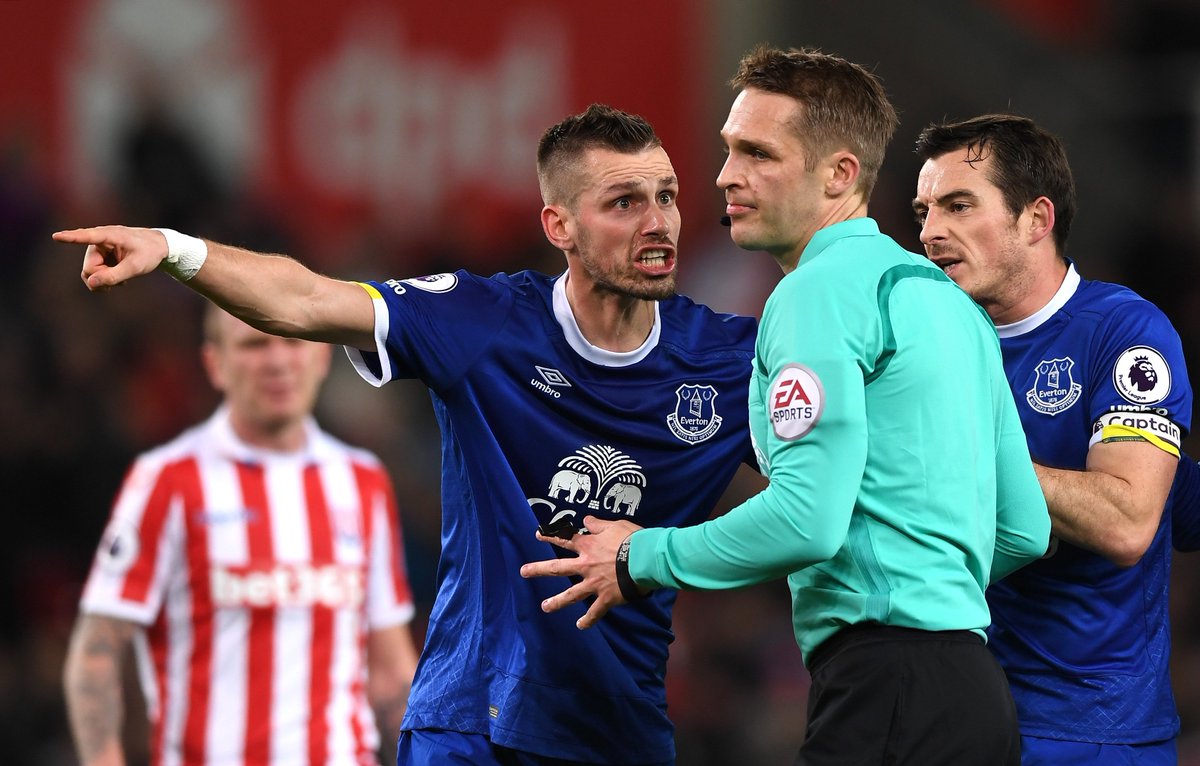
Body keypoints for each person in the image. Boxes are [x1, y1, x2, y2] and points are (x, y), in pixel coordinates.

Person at [55, 103, 759, 765]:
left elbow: (821, 494)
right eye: (623, 202)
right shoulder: (486, 322)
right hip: (469, 727)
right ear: (559, 226)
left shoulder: (729, 362)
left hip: (619, 732)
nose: (658, 221)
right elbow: (307, 299)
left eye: (665, 194)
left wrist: (668, 553)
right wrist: (176, 249)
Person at [522, 46, 1050, 765]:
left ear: (839, 173)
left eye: (757, 153)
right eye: (729, 150)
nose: (725, 175)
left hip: (885, 690)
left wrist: (640, 555)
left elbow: (807, 517)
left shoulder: (816, 292)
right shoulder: (953, 305)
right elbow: (1021, 528)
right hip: (975, 700)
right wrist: (926, 576)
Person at [912, 114, 1193, 764]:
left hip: (1089, 733)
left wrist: (967, 457)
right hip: (955, 717)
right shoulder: (930, 345)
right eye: (924, 210)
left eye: (958, 205)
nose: (930, 232)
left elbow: (1127, 521)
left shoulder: (1122, 332)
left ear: (1036, 219)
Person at [62, 303, 420, 766]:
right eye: (254, 344)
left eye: (292, 340)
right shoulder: (167, 481)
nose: (276, 360)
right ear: (215, 364)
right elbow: (96, 654)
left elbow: (391, 671)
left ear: (323, 358)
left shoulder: (364, 481)